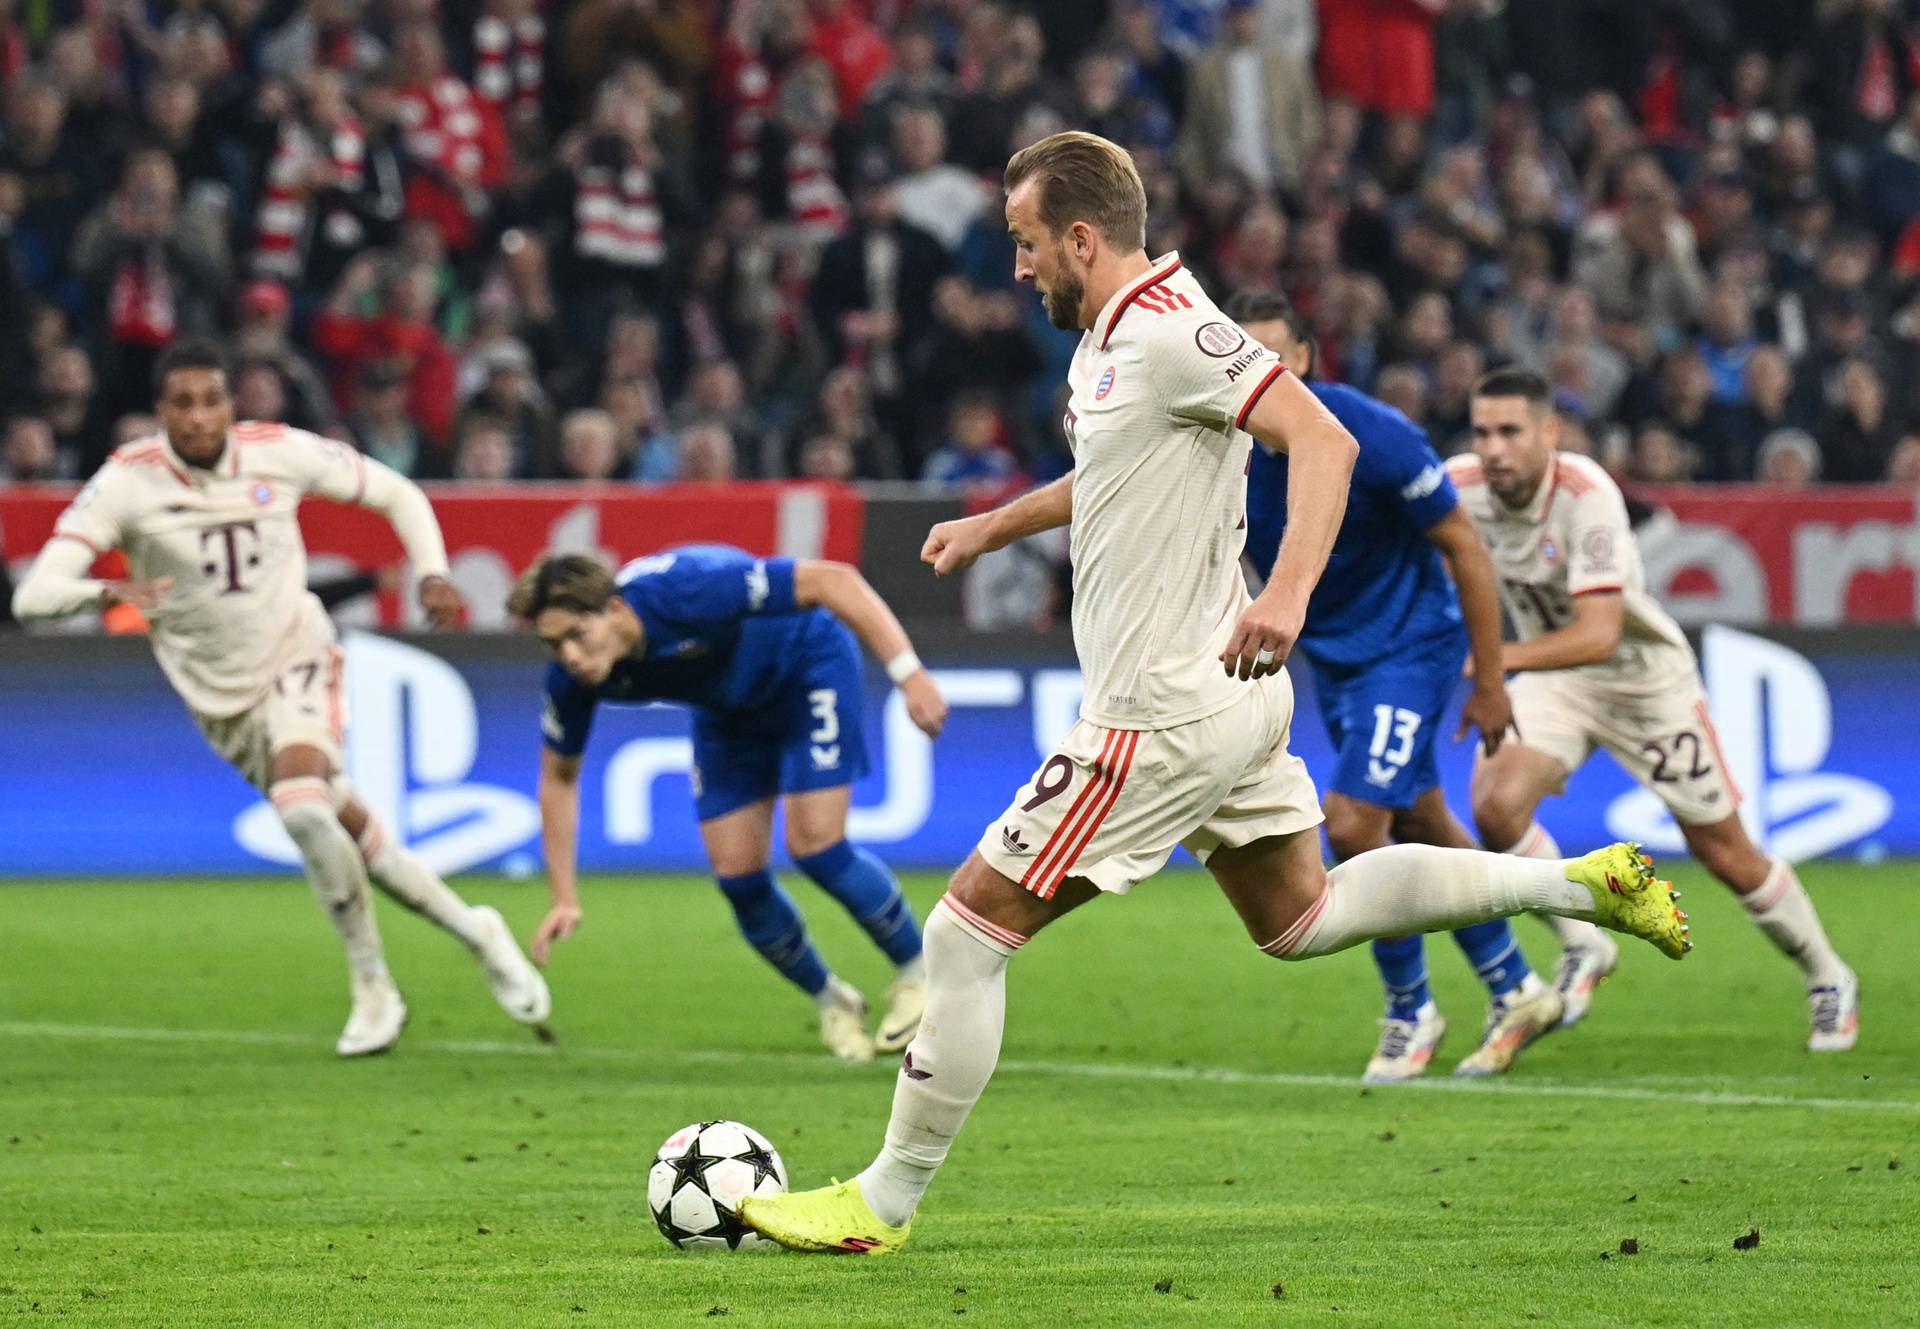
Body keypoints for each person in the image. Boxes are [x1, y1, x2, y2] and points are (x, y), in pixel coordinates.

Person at [739, 131, 1688, 1256]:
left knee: (964, 931)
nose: (1018, 266)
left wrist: (1284, 595)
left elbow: (1322, 442)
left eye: (1027, 243)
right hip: (1224, 707)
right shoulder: (1111, 342)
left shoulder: (1171, 330)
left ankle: (879, 1204)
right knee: (1303, 917)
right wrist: (1000, 520)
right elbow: (1112, 476)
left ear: (1082, 238)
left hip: (1162, 712)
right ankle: (1575, 886)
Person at [10, 339, 548, 1057]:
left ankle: (373, 986)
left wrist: (431, 571)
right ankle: (474, 926)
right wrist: (108, 589)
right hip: (218, 698)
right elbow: (34, 595)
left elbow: (398, 491)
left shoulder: (278, 450)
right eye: (183, 403)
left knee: (301, 803)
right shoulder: (125, 483)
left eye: (212, 400)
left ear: (231, 404)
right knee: (341, 817)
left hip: (298, 656)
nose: (200, 417)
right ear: (160, 411)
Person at [1225, 289, 1574, 1082]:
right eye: (1241, 353)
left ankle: (1410, 1008)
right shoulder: (1231, 445)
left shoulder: (1370, 435)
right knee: (1418, 818)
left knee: (1350, 825)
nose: (1258, 368)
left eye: (1274, 351)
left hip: (1411, 646)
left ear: (1306, 358)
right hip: (1338, 659)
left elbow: (1466, 548)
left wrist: (1490, 681)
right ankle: (1516, 984)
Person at [1457, 369, 1857, 1052]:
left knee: (1725, 853)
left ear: (1548, 434)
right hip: (1556, 683)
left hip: (1644, 685)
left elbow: (1599, 633)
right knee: (1495, 806)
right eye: (1483, 432)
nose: (1493, 449)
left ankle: (1828, 975)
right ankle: (1585, 944)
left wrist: (1494, 667)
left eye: (1510, 431)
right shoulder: (1459, 487)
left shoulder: (1586, 497)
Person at [507, 548, 949, 1063]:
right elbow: (558, 780)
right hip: (728, 715)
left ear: (614, 609)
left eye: (576, 636)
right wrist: (564, 897)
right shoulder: (571, 681)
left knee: (816, 845)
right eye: (553, 644)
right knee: (738, 875)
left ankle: (918, 974)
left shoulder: (686, 591)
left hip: (806, 667)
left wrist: (909, 674)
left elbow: (835, 581)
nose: (569, 657)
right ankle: (834, 1000)